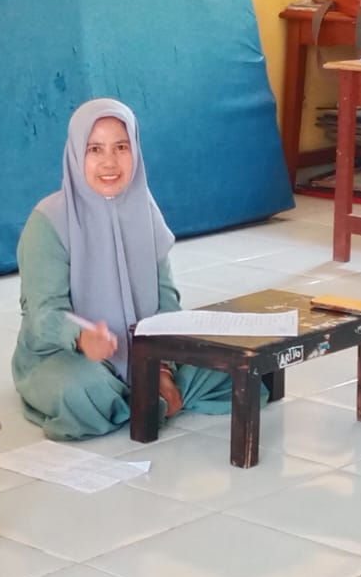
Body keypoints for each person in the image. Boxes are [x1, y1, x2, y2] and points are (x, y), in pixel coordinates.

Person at [12, 97, 233, 440]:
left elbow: (165, 297)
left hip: (145, 354)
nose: (110, 162)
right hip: (66, 356)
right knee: (79, 390)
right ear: (76, 154)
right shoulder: (48, 221)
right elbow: (44, 315)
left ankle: (146, 394)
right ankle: (146, 399)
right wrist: (83, 337)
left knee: (232, 364)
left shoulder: (145, 209)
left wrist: (162, 366)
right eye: (95, 149)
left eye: (121, 147)